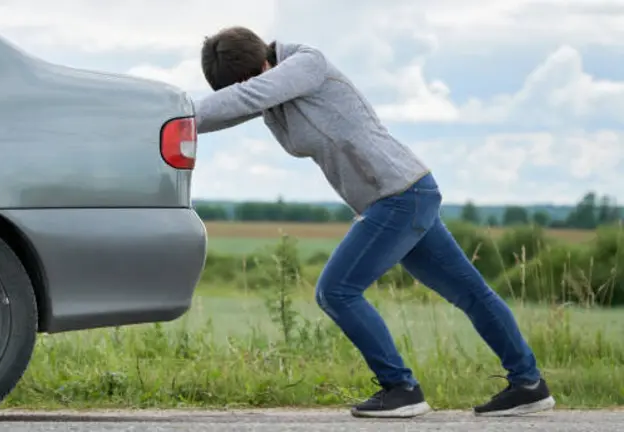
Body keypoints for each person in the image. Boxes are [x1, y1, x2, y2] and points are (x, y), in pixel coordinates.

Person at [193, 26, 555, 419]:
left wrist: (176, 114)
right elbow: (234, 106)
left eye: (251, 79)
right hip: (402, 194)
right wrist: (168, 121)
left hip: (398, 194)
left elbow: (248, 95)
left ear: (265, 61)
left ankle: (401, 388)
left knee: (337, 290)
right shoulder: (268, 88)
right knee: (470, 292)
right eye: (239, 84)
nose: (249, 88)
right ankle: (529, 385)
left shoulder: (306, 63)